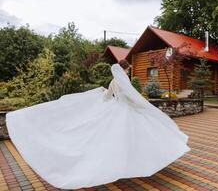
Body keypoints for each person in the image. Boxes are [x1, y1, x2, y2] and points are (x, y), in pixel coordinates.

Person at [6, 59, 190, 189]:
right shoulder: (124, 81)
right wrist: (142, 107)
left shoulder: (112, 81)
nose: (129, 71)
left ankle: (122, 163)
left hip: (115, 109)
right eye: (129, 68)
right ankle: (132, 163)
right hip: (126, 111)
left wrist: (103, 95)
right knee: (134, 137)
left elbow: (107, 97)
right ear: (125, 69)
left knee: (111, 140)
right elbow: (130, 98)